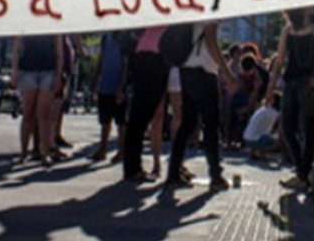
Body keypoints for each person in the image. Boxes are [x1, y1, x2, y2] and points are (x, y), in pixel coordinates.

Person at [167, 21, 240, 191]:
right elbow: (211, 43)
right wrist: (227, 74)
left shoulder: (191, 13)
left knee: (187, 123)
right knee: (211, 124)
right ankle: (215, 176)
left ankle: (173, 173)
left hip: (186, 70)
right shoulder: (210, 12)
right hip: (204, 73)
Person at [267, 7, 314, 190]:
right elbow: (279, 62)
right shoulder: (288, 30)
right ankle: (301, 169)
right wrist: (270, 89)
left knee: (307, 127)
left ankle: (302, 174)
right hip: (290, 82)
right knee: (287, 127)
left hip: (309, 83)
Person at [122, 26, 169, 182]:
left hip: (153, 57)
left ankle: (132, 166)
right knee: (140, 115)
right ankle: (132, 167)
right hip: (150, 57)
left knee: (141, 115)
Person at [11, 34, 65, 166]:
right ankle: (23, 153)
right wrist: (14, 70)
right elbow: (17, 47)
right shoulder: (27, 21)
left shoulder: (54, 23)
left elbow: (59, 52)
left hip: (48, 70)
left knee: (43, 115)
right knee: (28, 113)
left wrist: (58, 75)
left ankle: (44, 154)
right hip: (28, 69)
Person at [91, 30, 130, 163]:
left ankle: (122, 151)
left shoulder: (125, 37)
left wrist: (122, 86)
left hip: (118, 84)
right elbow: (102, 58)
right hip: (105, 84)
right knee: (104, 120)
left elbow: (126, 63)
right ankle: (102, 150)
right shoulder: (106, 37)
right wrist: (96, 79)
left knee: (121, 121)